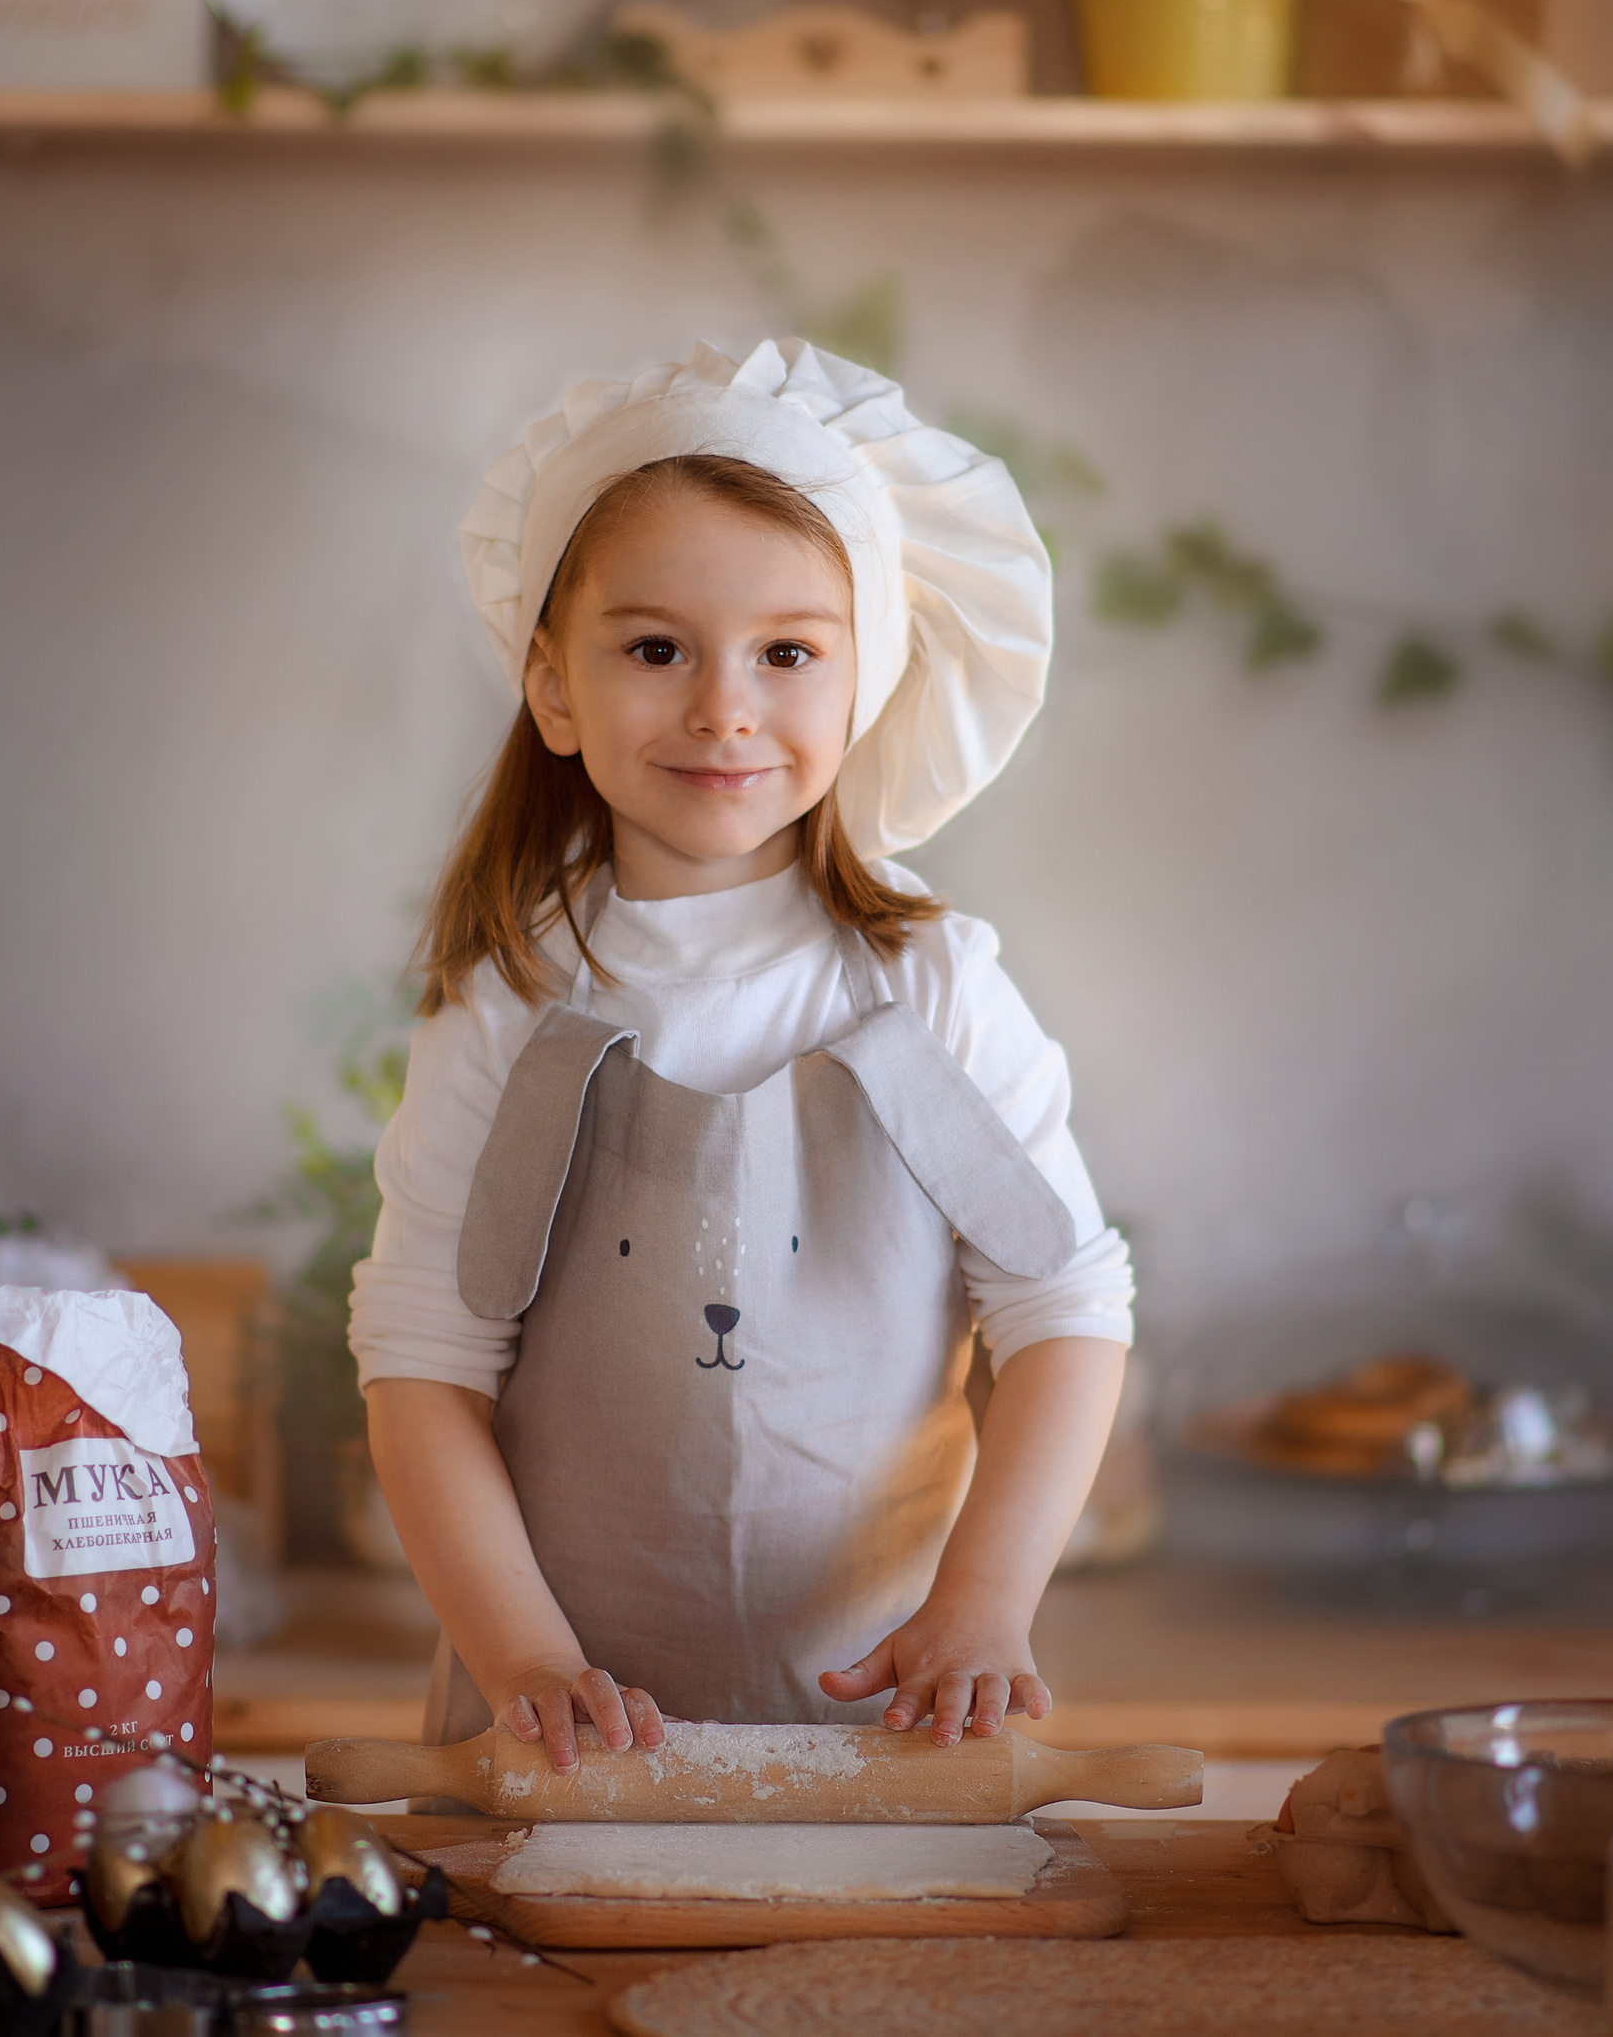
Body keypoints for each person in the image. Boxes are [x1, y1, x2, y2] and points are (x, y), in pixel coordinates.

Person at [347, 340, 1135, 1776]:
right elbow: (423, 1369)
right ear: (555, 685)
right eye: (657, 649)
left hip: (888, 1720)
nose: (724, 707)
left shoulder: (931, 987)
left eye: (787, 652)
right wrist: (529, 1664)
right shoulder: (512, 1001)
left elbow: (1065, 1311)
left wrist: (982, 1606)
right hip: (567, 1746)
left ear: (865, 680)